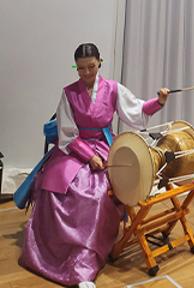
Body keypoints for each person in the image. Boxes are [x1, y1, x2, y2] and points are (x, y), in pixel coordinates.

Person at [19, 43, 170, 288]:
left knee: (98, 194)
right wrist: (87, 156)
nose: (87, 73)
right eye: (80, 69)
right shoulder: (68, 93)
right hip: (74, 147)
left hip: (104, 145)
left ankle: (84, 260)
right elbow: (66, 133)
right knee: (53, 187)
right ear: (75, 68)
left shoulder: (112, 89)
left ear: (100, 62)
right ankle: (49, 253)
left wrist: (159, 101)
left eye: (91, 67)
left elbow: (136, 111)